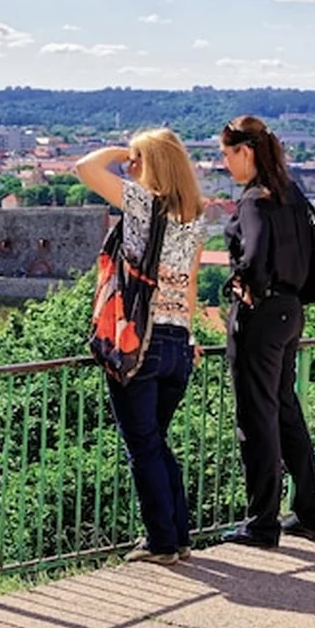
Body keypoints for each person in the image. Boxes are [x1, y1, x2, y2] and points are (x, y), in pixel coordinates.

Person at [77, 128, 207, 564]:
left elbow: (85, 168)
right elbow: (189, 290)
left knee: (144, 446)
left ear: (147, 162)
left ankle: (161, 542)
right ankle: (179, 535)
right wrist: (189, 336)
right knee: (155, 442)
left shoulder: (141, 203)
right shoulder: (196, 216)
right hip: (177, 344)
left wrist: (123, 152)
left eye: (137, 160)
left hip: (139, 340)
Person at [218, 115, 315, 549]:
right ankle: (309, 513)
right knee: (284, 410)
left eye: (227, 154)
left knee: (255, 417)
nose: (225, 163)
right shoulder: (290, 193)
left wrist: (245, 283)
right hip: (292, 310)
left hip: (261, 317)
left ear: (245, 151)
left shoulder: (254, 200)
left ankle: (261, 522)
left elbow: (258, 249)